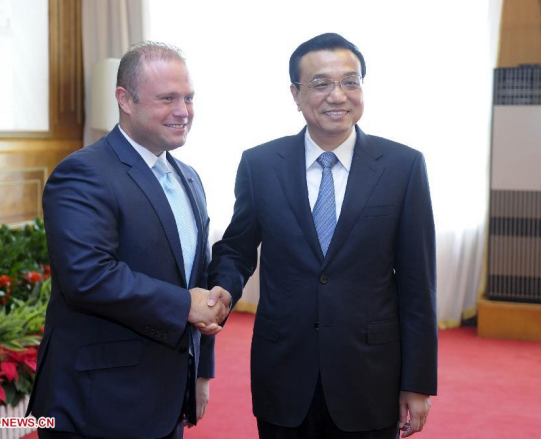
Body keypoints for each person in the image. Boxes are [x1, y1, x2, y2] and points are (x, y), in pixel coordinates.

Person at [208, 33, 437, 439]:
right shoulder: (260, 164)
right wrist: (224, 288)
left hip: (369, 375)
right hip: (284, 371)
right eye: (321, 84)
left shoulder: (403, 167)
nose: (339, 96)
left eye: (351, 82)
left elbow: (419, 285)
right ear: (295, 94)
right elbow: (238, 247)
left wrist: (417, 384)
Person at [27, 41, 230, 439]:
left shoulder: (188, 176)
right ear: (125, 100)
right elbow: (88, 277)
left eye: (189, 97)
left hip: (168, 398)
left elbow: (197, 278)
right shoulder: (83, 173)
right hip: (98, 406)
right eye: (167, 98)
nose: (183, 111)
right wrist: (184, 306)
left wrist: (200, 373)